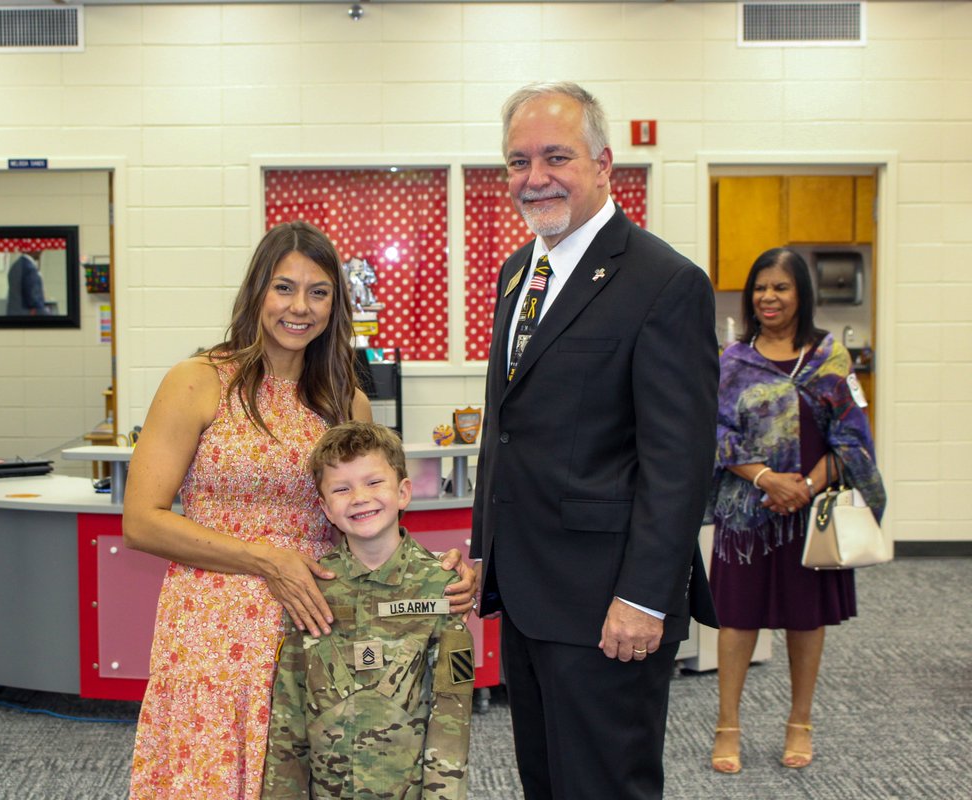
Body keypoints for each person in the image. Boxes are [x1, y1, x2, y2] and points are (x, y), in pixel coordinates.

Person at [123, 221, 476, 799]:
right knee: (209, 775)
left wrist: (433, 574)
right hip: (214, 624)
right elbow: (140, 520)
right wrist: (268, 562)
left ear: (335, 305)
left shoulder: (347, 400)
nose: (300, 307)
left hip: (321, 620)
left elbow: (370, 511)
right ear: (258, 290)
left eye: (318, 292)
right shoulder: (199, 381)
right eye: (284, 288)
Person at [470, 81, 719, 800]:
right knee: (545, 782)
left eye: (556, 156)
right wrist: (487, 553)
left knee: (605, 787)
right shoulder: (520, 271)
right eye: (517, 161)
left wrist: (644, 597)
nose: (534, 177)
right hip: (526, 590)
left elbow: (677, 463)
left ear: (605, 164)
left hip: (608, 603)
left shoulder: (663, 282)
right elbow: (508, 428)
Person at [708, 247, 885, 774]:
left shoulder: (829, 359)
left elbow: (852, 441)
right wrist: (765, 477)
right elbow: (714, 434)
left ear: (800, 294)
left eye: (781, 287)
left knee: (806, 620)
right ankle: (727, 726)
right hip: (746, 518)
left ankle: (800, 723)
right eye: (761, 287)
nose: (769, 297)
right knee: (736, 620)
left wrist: (803, 486)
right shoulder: (731, 362)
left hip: (813, 515)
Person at [262, 421, 473, 799]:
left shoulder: (441, 588)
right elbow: (287, 723)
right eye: (342, 489)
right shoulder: (310, 590)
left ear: (404, 491)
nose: (360, 497)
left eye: (374, 482)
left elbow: (451, 720)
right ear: (325, 508)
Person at [6, 249, 48, 315]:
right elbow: (33, 298)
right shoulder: (30, 269)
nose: (41, 251)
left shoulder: (15, 266)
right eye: (39, 249)